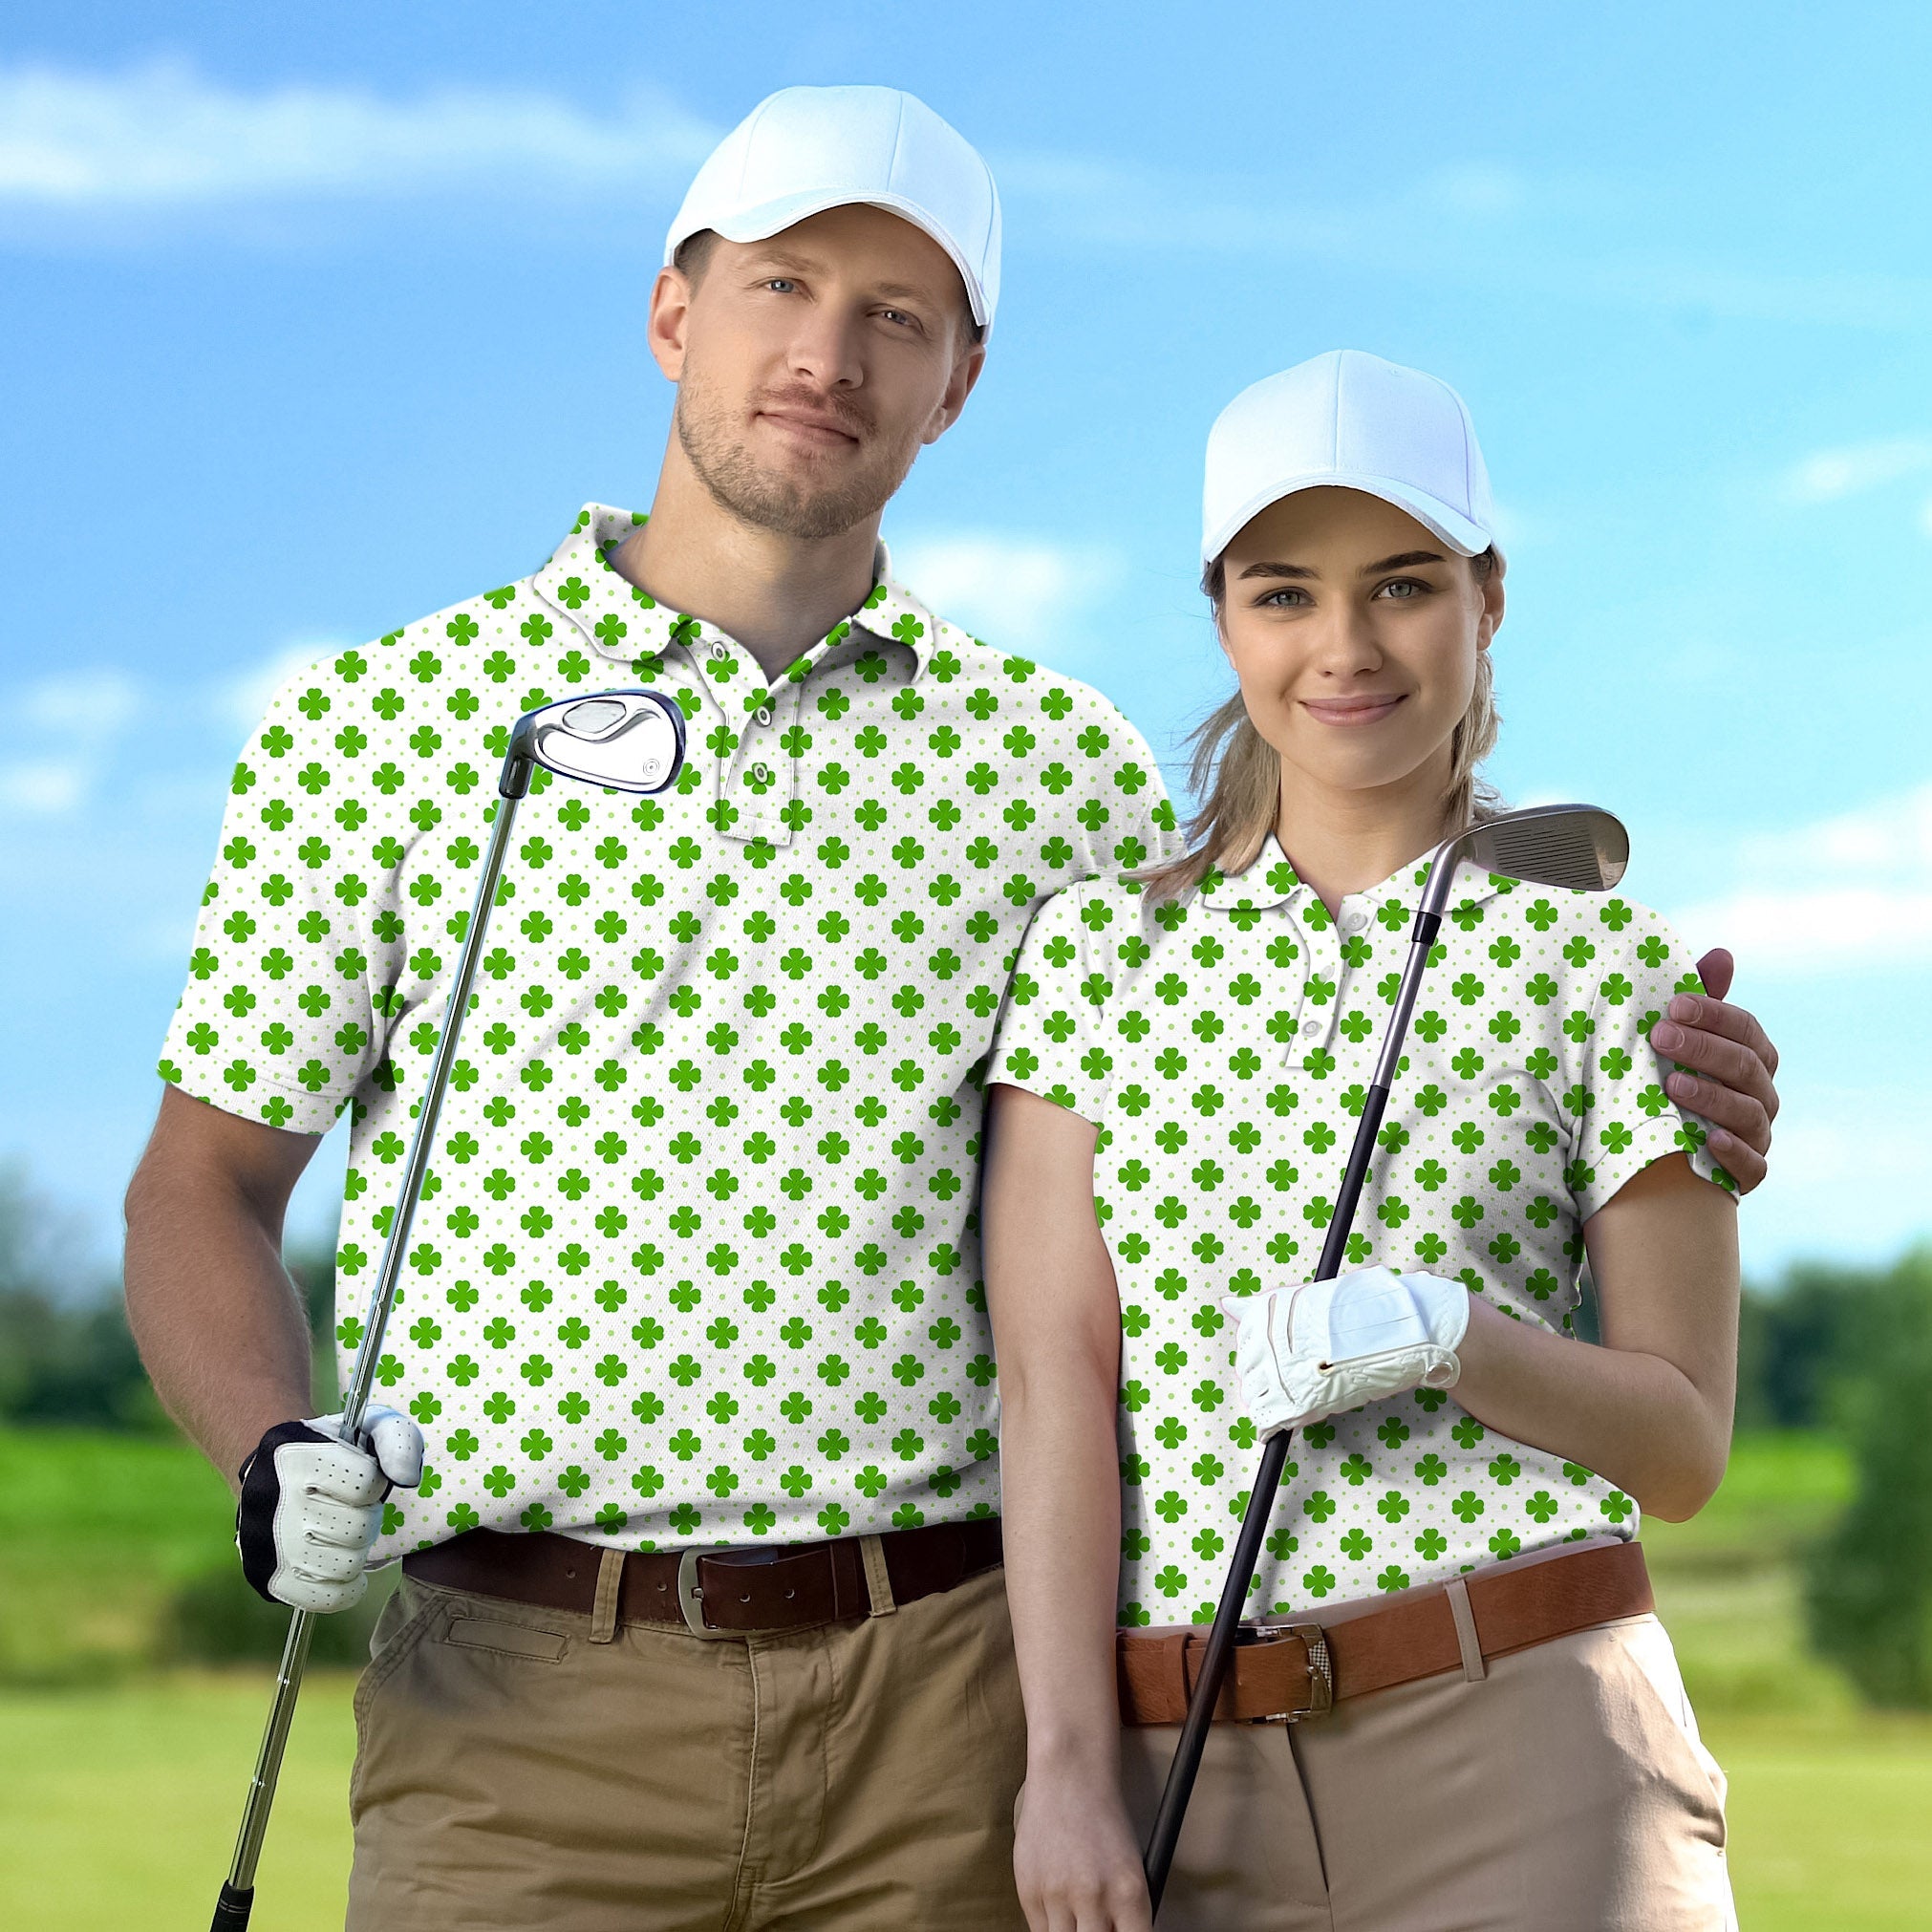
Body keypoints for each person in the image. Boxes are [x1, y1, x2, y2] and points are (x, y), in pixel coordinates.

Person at [118, 83, 1779, 1927]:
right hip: (516, 1704)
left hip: (946, 1701)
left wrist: (1657, 1055)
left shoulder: (1059, 764)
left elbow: (1294, 980)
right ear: (674, 311)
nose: (826, 355)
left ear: (959, 379)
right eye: (780, 287)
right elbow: (201, 1188)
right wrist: (270, 1450)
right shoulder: (382, 726)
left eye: (893, 317)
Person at [985, 350, 1751, 1930]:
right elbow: (1053, 1379)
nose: (1342, 647)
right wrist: (1063, 1761)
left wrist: (1448, 1335)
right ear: (1220, 617)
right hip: (1186, 1767)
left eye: (1400, 585)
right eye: (1283, 594)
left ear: (1484, 598)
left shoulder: (1609, 960)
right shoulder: (1091, 959)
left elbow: (1678, 1448)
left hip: (1530, 1730)